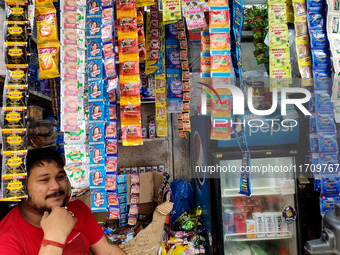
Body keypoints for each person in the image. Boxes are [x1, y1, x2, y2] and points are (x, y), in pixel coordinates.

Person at [0, 149, 126, 255]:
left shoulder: (75, 206)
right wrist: (54, 237)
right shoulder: (7, 239)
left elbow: (108, 251)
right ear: (21, 187)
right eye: (44, 180)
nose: (56, 186)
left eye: (60, 177)